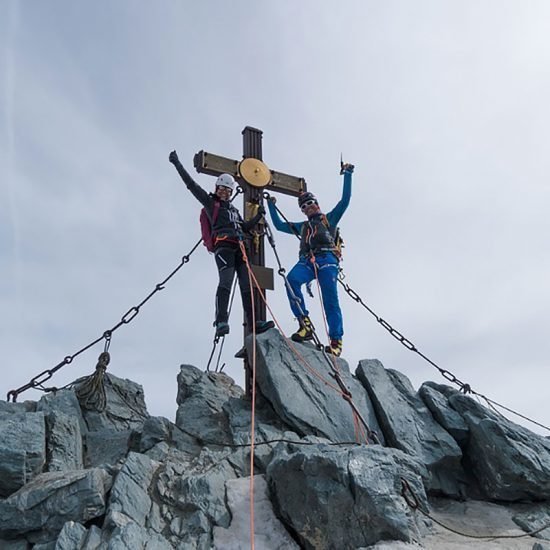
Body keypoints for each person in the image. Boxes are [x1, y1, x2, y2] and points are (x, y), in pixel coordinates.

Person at [169, 150, 274, 338]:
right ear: (217, 189)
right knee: (226, 282)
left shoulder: (233, 210)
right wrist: (177, 164)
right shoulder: (211, 204)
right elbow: (191, 186)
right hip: (224, 247)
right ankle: (221, 321)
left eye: (228, 190)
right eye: (222, 189)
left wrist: (258, 215)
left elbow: (244, 226)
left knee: (246, 285)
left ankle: (254, 323)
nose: (225, 192)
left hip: (240, 248)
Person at [266, 163, 354, 357]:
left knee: (330, 299)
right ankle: (304, 323)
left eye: (310, 203)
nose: (308, 207)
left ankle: (336, 340)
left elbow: (345, 201)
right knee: (292, 281)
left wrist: (348, 174)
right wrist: (271, 206)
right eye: (304, 206)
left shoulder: (329, 219)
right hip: (308, 260)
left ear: (317, 204)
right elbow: (280, 226)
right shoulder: (302, 226)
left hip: (327, 259)